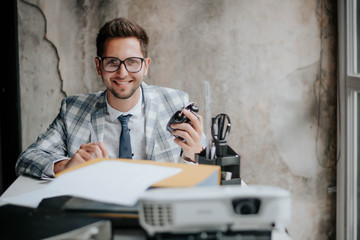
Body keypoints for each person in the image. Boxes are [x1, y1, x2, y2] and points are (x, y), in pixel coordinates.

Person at [16, 17, 205, 179]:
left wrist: (194, 155)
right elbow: (27, 159)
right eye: (112, 62)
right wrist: (65, 167)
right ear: (99, 66)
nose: (122, 73)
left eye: (132, 62)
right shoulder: (72, 110)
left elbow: (213, 170)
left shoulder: (175, 103)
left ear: (146, 66)